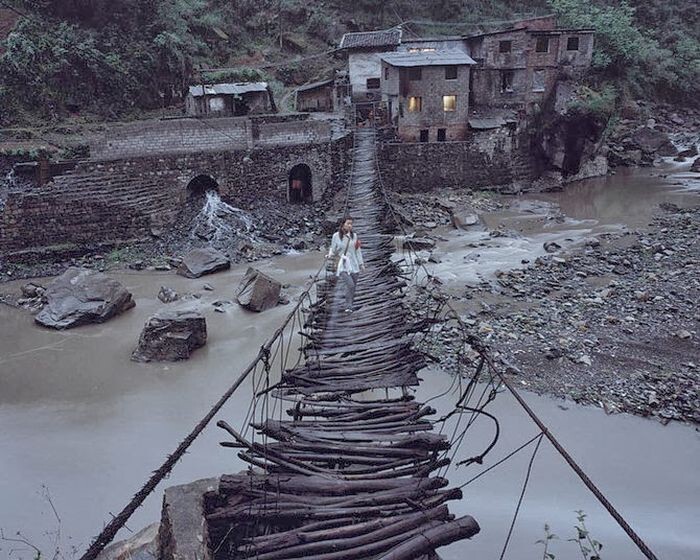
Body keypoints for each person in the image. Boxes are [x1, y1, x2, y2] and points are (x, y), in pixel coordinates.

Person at [327, 216, 365, 313]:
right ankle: (348, 306)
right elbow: (334, 250)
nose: (350, 226)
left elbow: (358, 251)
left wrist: (361, 264)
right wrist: (330, 255)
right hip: (342, 265)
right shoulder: (336, 236)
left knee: (353, 287)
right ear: (342, 224)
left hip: (354, 265)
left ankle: (350, 303)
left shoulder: (354, 236)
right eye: (348, 223)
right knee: (351, 285)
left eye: (351, 224)